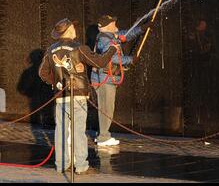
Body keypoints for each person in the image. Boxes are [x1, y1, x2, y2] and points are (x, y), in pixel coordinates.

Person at [39, 18, 117, 174]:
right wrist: (112, 50)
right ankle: (81, 166)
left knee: (61, 131)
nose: (75, 29)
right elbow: (100, 62)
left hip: (61, 97)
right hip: (79, 96)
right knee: (78, 132)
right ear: (68, 30)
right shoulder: (79, 48)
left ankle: (61, 165)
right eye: (73, 27)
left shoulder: (50, 50)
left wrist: (57, 83)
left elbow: (42, 73)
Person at [91, 15, 150, 147]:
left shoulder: (111, 36)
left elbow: (126, 35)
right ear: (107, 26)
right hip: (104, 79)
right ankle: (103, 137)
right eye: (113, 22)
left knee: (106, 108)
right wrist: (130, 60)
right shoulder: (104, 40)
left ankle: (102, 135)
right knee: (106, 108)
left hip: (107, 78)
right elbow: (111, 58)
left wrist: (140, 29)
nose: (115, 24)